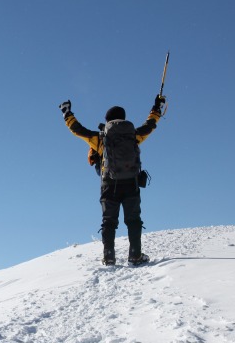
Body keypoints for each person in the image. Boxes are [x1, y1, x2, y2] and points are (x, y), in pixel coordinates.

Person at [58, 96, 165, 265]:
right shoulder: (134, 136)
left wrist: (67, 113)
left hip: (109, 185)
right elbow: (150, 125)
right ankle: (135, 255)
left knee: (109, 221)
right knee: (133, 220)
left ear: (107, 120)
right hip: (131, 183)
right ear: (123, 118)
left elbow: (77, 130)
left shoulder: (100, 138)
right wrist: (157, 108)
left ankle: (109, 256)